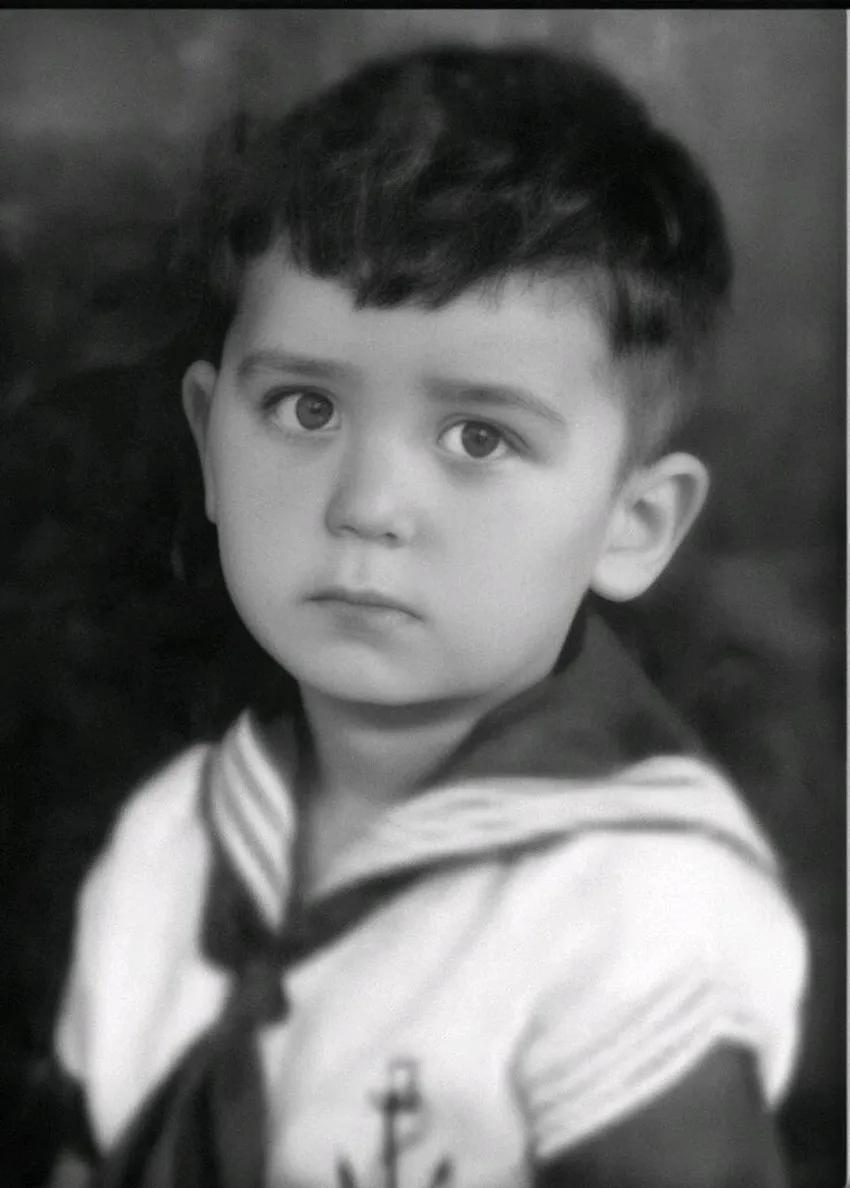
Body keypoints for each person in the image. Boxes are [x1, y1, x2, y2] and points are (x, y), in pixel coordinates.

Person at [47, 44, 807, 1188]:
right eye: (305, 408)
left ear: (632, 523)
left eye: (478, 437)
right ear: (209, 443)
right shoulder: (169, 843)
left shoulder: (639, 914)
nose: (365, 506)